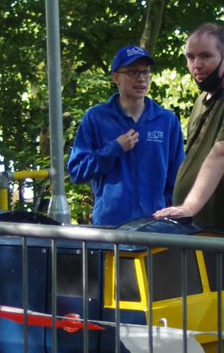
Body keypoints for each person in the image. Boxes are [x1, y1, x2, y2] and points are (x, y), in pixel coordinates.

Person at [154, 22, 224, 240]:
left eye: (205, 56)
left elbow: (221, 153)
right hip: (196, 232)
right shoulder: (200, 101)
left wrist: (190, 206)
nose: (196, 64)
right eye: (190, 57)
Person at [68, 45, 185, 227]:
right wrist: (113, 149)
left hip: (156, 227)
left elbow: (178, 179)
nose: (141, 78)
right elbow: (77, 171)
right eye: (132, 72)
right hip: (111, 227)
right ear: (116, 78)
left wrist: (170, 215)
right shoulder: (96, 118)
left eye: (145, 72)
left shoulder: (167, 121)